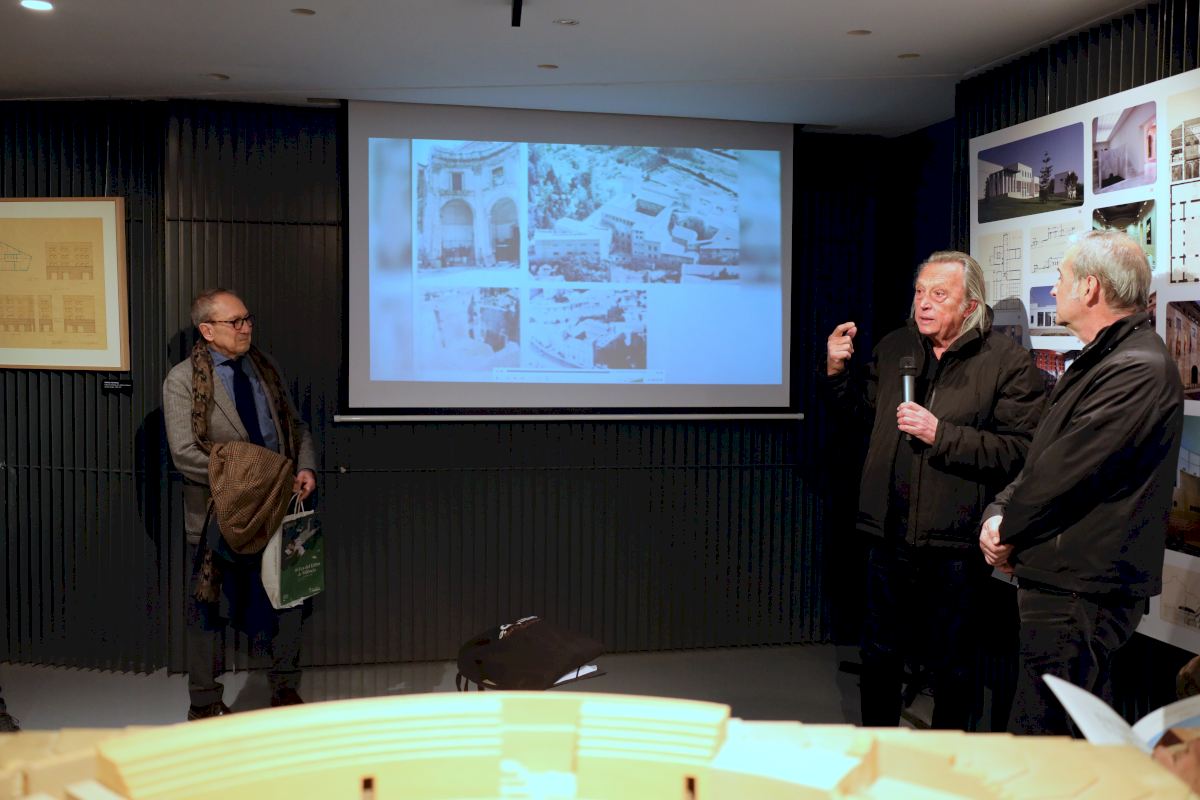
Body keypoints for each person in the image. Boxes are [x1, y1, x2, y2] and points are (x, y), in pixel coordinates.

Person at [826, 250, 1045, 729]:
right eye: (920, 291)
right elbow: (864, 416)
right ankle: (878, 752)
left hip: (955, 546)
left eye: (939, 294)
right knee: (879, 655)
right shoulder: (896, 347)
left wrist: (940, 435)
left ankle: (948, 760)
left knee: (955, 667)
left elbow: (1020, 449)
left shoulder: (1006, 362)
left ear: (970, 307)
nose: (923, 303)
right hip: (887, 535)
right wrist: (838, 374)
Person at [979, 231, 1184, 736]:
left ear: (1090, 288)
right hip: (1067, 582)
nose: (1053, 289)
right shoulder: (1103, 360)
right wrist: (998, 513)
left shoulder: (1136, 368)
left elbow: (1064, 474)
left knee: (1045, 742)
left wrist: (1006, 530)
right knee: (1063, 737)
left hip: (1081, 590)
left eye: (1061, 278)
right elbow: (1042, 459)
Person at [163, 289, 317, 720]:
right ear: (207, 330)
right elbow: (185, 454)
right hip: (221, 514)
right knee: (208, 609)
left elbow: (296, 426)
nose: (246, 328)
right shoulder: (181, 380)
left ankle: (285, 688)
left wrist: (304, 466)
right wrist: (262, 479)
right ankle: (204, 702)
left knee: (290, 600)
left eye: (247, 318)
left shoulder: (266, 368)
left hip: (281, 507)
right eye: (235, 322)